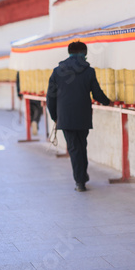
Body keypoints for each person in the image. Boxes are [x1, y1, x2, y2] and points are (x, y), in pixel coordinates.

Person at [46, 41, 113, 192]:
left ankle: (80, 181)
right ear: (84, 53)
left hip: (65, 117)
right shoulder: (89, 71)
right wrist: (108, 102)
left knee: (74, 148)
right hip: (83, 116)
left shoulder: (57, 72)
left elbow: (50, 97)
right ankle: (82, 176)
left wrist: (54, 116)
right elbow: (97, 93)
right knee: (82, 146)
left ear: (69, 52)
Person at [16, 71, 43, 136]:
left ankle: (32, 122)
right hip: (38, 90)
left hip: (26, 90)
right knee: (38, 108)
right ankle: (35, 121)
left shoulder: (21, 68)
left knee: (30, 109)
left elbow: (19, 81)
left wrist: (19, 93)